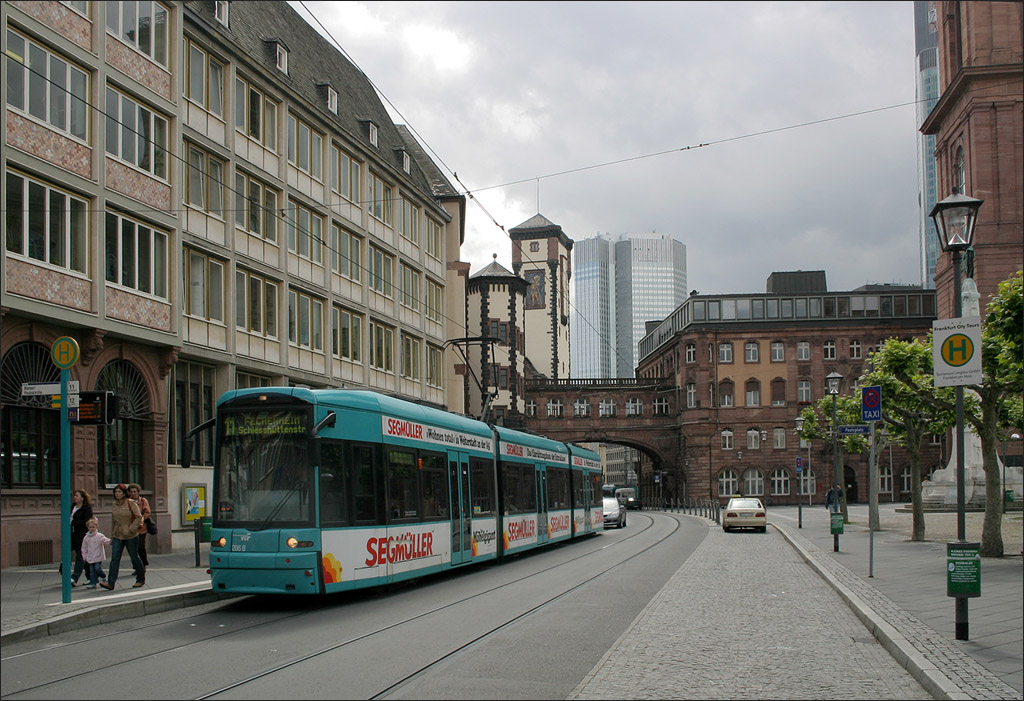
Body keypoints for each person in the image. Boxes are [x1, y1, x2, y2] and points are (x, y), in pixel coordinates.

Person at [100, 484, 145, 590]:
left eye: (119, 492)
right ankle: (111, 582)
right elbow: (114, 521)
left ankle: (140, 578)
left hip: (130, 535)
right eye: (116, 492)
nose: (117, 494)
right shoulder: (114, 504)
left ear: (124, 493)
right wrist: (112, 535)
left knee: (134, 557)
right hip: (117, 535)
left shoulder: (130, 503)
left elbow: (138, 517)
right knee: (115, 559)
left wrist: (131, 529)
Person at [69, 489, 93, 587]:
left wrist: (74, 522)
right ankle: (91, 576)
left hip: (82, 534)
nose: (75, 497)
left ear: (83, 498)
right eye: (74, 495)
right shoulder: (72, 507)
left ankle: (74, 578)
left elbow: (87, 522)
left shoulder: (86, 508)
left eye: (77, 496)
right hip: (72, 534)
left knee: (80, 556)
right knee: (84, 558)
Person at [80, 518, 111, 589]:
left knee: (97, 568)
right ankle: (93, 582)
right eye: (90, 527)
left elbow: (105, 540)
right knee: (92, 571)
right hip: (90, 557)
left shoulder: (99, 536)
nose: (92, 529)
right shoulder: (86, 538)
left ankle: (103, 576)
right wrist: (84, 556)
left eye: (93, 527)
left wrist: (110, 542)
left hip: (98, 556)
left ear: (96, 527)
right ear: (88, 528)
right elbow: (84, 547)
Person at [128, 483, 151, 567]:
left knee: (140, 547)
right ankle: (137, 567)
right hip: (131, 528)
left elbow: (147, 513)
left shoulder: (143, 501)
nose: (133, 493)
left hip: (141, 528)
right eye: (131, 492)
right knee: (133, 549)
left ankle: (143, 564)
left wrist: (140, 519)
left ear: (138, 492)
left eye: (134, 491)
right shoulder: (128, 502)